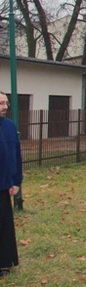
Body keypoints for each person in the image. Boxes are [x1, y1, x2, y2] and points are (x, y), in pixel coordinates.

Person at [0, 91, 22, 277]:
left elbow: (16, 155)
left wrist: (16, 180)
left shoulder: (9, 126)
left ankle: (3, 262)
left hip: (4, 185)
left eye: (6, 103)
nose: (5, 107)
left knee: (3, 225)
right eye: (1, 103)